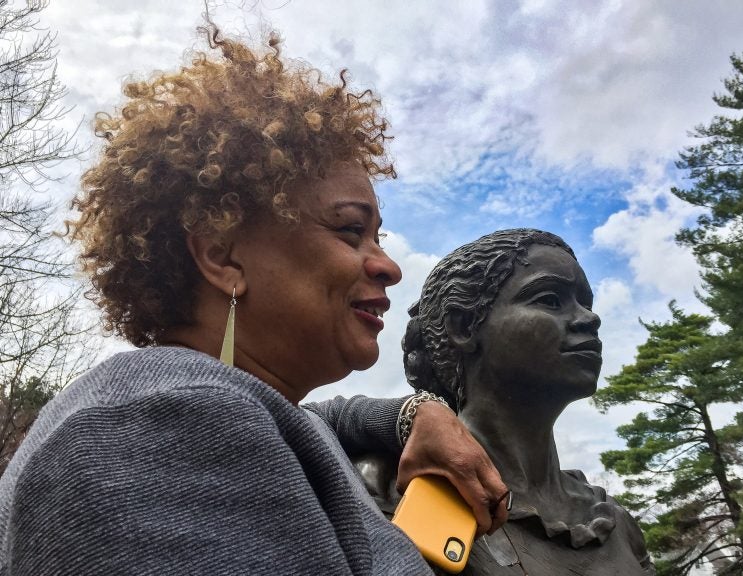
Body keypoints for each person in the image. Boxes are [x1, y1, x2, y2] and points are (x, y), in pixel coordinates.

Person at [0, 23, 510, 576]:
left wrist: (413, 414)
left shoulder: (225, 407)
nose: (387, 265)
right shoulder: (155, 431)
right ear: (223, 257)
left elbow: (320, 421)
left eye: (378, 237)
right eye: (348, 230)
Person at [360, 229, 655, 575]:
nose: (590, 318)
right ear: (464, 325)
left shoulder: (616, 523)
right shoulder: (386, 488)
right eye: (550, 299)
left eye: (585, 302)